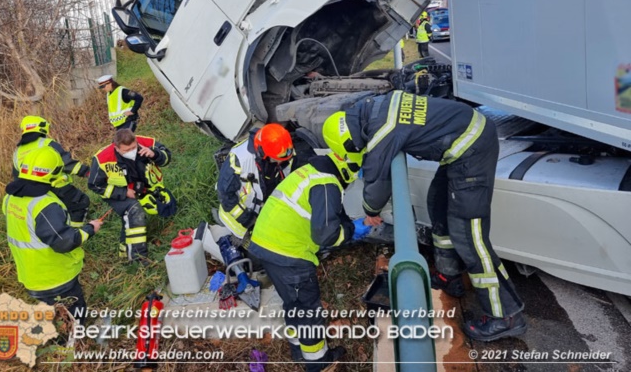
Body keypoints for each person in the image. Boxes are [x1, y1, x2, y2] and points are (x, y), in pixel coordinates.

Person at [322, 90, 526, 342]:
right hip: (463, 143)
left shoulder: (382, 132)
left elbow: (377, 185)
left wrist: (370, 212)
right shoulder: (372, 108)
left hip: (472, 149)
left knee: (470, 235)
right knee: (437, 205)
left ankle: (505, 316)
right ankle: (448, 275)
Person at [248, 152, 379, 371]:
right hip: (288, 255)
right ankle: (318, 362)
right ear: (347, 165)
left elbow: (328, 214)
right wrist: (352, 231)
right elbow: (326, 235)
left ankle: (299, 349)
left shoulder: (312, 171)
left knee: (293, 303)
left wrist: (348, 224)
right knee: (308, 310)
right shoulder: (328, 184)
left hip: (266, 246)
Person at [3, 146, 101, 323]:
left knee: (54, 319)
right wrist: (89, 229)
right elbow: (64, 242)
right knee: (73, 320)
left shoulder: (11, 198)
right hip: (56, 278)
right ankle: (72, 347)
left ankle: (58, 345)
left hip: (31, 276)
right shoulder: (44, 205)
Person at [88, 128, 176, 262]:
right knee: (134, 211)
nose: (131, 152)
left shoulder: (146, 142)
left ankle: (123, 251)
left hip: (144, 188)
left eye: (133, 147)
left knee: (167, 205)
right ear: (116, 148)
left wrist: (155, 154)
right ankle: (137, 258)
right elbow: (94, 185)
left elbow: (167, 157)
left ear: (136, 140)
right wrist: (123, 192)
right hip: (116, 193)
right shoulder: (102, 159)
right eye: (126, 150)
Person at [216, 123, 297, 240]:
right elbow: (225, 196)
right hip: (238, 221)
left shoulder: (283, 150)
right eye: (276, 159)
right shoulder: (240, 160)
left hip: (264, 211)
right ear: (262, 153)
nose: (280, 162)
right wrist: (249, 221)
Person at [13, 115, 91, 227]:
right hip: (56, 186)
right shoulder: (47, 143)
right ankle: (74, 233)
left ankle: (57, 229)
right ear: (42, 128)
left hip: (31, 190)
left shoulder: (18, 151)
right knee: (80, 202)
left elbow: (17, 175)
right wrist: (86, 172)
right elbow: (66, 163)